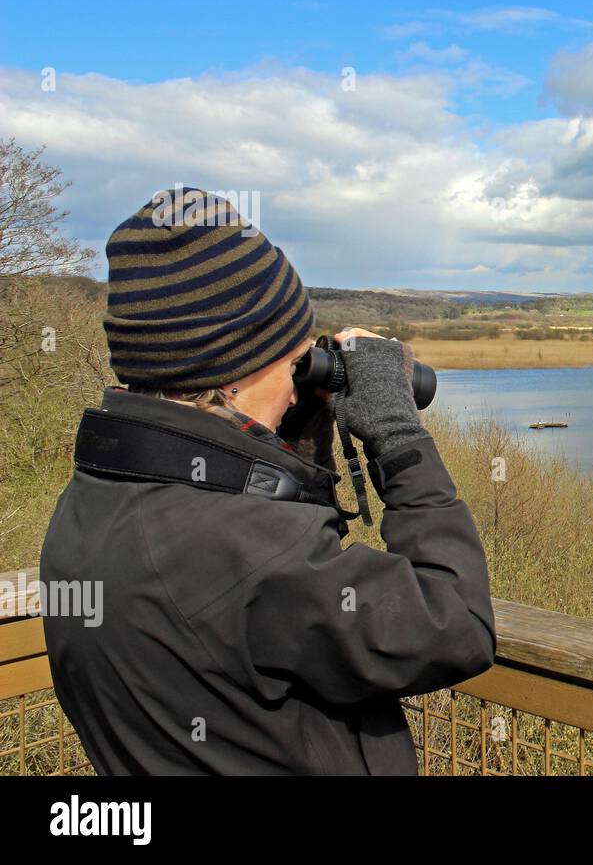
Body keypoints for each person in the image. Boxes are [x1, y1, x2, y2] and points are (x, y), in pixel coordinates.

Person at [39, 187, 496, 774]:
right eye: (292, 362)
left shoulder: (92, 500)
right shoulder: (249, 553)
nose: (296, 381)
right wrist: (397, 434)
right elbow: (457, 623)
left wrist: (295, 445)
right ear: (239, 372)